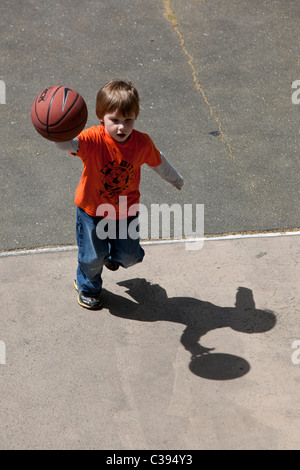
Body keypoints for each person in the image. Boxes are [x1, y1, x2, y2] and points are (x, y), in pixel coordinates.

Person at [55, 79, 184, 310]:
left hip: (125, 210)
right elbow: (66, 145)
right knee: (92, 258)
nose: (122, 127)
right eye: (114, 120)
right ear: (101, 117)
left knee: (130, 257)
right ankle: (87, 287)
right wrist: (55, 131)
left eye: (128, 120)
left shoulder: (141, 143)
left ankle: (108, 257)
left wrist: (175, 179)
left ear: (136, 117)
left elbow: (159, 161)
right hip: (91, 210)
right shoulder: (92, 139)